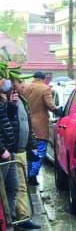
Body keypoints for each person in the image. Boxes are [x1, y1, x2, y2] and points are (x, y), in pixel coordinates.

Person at [8, 79, 41, 229]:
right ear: (13, 85)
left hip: (22, 150)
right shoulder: (9, 101)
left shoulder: (23, 101)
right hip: (14, 151)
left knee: (21, 186)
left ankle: (22, 217)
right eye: (20, 82)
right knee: (19, 186)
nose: (24, 85)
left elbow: (28, 125)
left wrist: (32, 145)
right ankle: (22, 218)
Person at [23, 72, 57, 186]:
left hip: (26, 125)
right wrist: (58, 110)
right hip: (40, 126)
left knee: (29, 152)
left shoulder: (26, 87)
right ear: (43, 79)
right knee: (40, 152)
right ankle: (32, 176)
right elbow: (51, 106)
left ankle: (27, 175)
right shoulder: (45, 88)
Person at [0, 78, 18, 226]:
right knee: (2, 192)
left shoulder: (4, 100)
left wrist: (12, 105)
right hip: (3, 153)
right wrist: (1, 149)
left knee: (13, 186)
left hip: (9, 150)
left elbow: (9, 120)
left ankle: (10, 220)